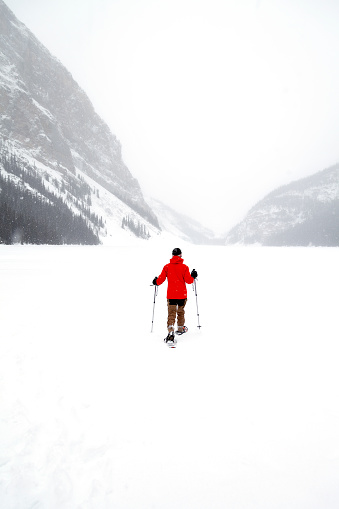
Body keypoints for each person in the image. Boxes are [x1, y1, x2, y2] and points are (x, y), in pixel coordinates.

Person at [152, 248, 198, 342]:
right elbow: (189, 281)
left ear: (172, 255)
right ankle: (180, 328)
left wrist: (155, 281)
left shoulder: (167, 267)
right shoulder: (184, 267)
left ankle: (170, 330)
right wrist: (193, 276)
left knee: (171, 313)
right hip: (182, 295)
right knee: (181, 312)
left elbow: (160, 280)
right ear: (180, 255)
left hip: (171, 295)